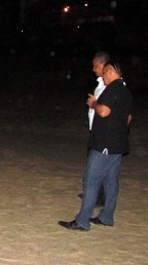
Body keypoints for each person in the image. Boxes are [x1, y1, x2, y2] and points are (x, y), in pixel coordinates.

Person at [58, 61, 133, 231]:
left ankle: (82, 221)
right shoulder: (126, 92)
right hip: (118, 145)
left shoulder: (113, 89)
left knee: (91, 181)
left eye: (105, 73)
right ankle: (106, 217)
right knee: (111, 182)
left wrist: (93, 103)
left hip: (105, 145)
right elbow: (128, 119)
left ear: (112, 72)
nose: (103, 77)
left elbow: (104, 111)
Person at [84, 51, 112, 206]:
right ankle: (96, 196)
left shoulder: (112, 86)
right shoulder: (101, 85)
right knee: (95, 166)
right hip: (95, 130)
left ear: (103, 65)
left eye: (95, 66)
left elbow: (105, 111)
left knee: (97, 170)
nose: (93, 69)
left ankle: (96, 199)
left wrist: (93, 104)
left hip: (103, 133)